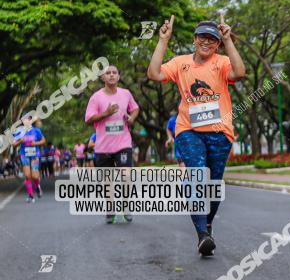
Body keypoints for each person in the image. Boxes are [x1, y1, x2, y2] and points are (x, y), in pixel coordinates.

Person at [147, 14, 246, 256]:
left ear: (217, 43)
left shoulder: (221, 62)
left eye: (212, 39)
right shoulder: (180, 63)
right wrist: (163, 40)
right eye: (202, 36)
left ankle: (207, 224)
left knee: (214, 185)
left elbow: (239, 73)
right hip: (188, 131)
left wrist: (228, 41)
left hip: (219, 133)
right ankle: (202, 234)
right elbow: (154, 74)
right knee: (197, 178)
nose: (206, 42)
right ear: (194, 39)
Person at [85, 65, 140, 224]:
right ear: (102, 77)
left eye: (114, 72)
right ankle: (110, 208)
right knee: (107, 182)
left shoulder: (126, 94)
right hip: (103, 147)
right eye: (107, 73)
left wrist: (132, 118)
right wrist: (106, 113)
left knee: (126, 177)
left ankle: (126, 205)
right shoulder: (96, 97)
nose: (111, 75)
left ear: (118, 76)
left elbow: (135, 109)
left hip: (123, 143)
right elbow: (88, 119)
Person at [12, 116, 46, 203]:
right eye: (23, 119)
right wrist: (20, 141)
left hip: (35, 155)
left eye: (27, 119)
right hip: (24, 155)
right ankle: (31, 196)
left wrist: (35, 143)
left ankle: (37, 186)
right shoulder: (19, 131)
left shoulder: (36, 131)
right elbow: (14, 144)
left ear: (31, 121)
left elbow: (43, 141)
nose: (25, 120)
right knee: (27, 176)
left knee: (35, 176)